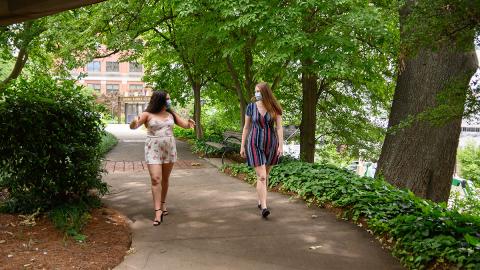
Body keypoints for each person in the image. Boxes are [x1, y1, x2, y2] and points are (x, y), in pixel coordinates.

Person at [130, 90, 195, 226]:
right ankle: (157, 211)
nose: (169, 101)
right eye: (167, 99)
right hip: (153, 149)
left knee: (165, 179)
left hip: (169, 150)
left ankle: (163, 203)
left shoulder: (171, 113)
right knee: (156, 179)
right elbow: (134, 126)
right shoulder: (147, 114)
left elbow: (185, 125)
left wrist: (190, 124)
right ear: (159, 100)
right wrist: (133, 122)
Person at [240, 82, 283, 218]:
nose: (256, 94)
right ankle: (264, 207)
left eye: (258, 91)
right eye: (255, 91)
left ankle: (260, 200)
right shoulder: (251, 107)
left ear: (265, 93)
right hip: (254, 144)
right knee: (262, 176)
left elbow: (279, 128)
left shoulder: (275, 107)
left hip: (271, 145)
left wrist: (281, 146)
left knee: (266, 175)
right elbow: (246, 127)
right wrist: (242, 145)